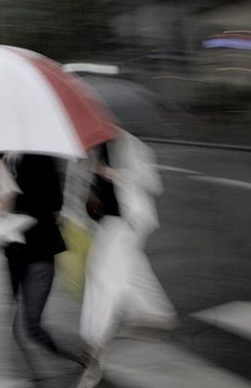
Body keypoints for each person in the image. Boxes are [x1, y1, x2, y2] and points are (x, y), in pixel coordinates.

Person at [76, 130, 177, 388]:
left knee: (104, 275)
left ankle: (97, 340)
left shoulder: (130, 144)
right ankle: (156, 313)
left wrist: (113, 174)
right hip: (107, 222)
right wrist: (92, 187)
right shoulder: (94, 147)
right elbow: (94, 186)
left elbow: (153, 183)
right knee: (129, 271)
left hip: (130, 222)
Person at [0, 153, 84, 385]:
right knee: (18, 324)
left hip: (39, 252)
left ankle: (77, 355)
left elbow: (53, 203)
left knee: (31, 324)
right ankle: (37, 376)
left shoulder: (41, 159)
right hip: (13, 253)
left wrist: (12, 200)